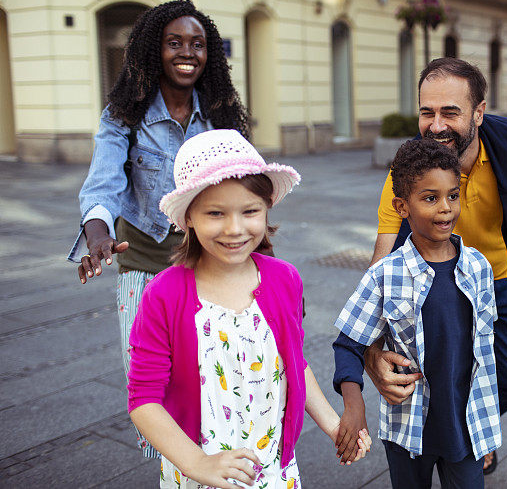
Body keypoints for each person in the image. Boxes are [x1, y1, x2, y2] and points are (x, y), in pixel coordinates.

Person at [366, 58, 507, 474]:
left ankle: (470, 426)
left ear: (478, 112)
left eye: (450, 112)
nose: (436, 126)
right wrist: (372, 348)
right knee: (440, 376)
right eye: (427, 112)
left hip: (501, 280)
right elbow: (382, 260)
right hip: (436, 285)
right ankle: (466, 436)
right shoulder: (408, 169)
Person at [128, 130, 371, 489]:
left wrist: (334, 425)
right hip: (199, 473)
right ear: (189, 217)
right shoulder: (163, 294)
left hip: (273, 469)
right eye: (215, 213)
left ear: (266, 208)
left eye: (250, 211)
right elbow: (144, 400)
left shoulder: (284, 279)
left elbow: (293, 362)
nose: (235, 228)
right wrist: (198, 463)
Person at [67, 0, 249, 456]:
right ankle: (175, 469)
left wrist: (264, 267)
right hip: (144, 265)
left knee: (215, 378)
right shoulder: (124, 114)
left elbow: (245, 197)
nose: (187, 52)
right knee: (152, 384)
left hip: (211, 266)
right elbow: (103, 183)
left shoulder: (220, 115)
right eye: (174, 43)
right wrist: (98, 234)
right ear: (155, 50)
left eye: (197, 43)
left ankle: (217, 466)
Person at [333, 139, 500, 489]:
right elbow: (348, 343)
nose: (445, 209)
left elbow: (483, 351)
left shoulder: (479, 268)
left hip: (467, 426)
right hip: (408, 428)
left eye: (453, 196)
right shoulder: (385, 275)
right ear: (402, 206)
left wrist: (487, 425)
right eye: (430, 198)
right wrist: (354, 405)